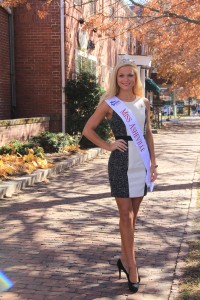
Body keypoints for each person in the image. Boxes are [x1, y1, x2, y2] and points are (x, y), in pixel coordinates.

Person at [82, 61, 158, 293]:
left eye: (130, 76)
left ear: (136, 79)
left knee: (134, 216)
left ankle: (125, 260)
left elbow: (147, 133)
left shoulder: (143, 102)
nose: (126, 79)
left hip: (141, 163)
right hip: (120, 163)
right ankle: (132, 265)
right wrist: (109, 145)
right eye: (121, 76)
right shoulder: (109, 104)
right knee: (125, 215)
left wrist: (153, 163)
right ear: (116, 79)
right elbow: (88, 130)